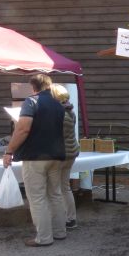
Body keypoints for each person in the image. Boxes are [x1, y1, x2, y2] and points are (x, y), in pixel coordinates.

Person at [3, 74, 66, 247]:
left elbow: (23, 129)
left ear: (33, 87)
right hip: (57, 155)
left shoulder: (31, 102)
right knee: (55, 194)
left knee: (37, 198)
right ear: (49, 85)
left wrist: (9, 151)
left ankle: (44, 238)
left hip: (35, 157)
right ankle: (60, 232)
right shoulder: (59, 105)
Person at [50, 84, 80, 230]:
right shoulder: (69, 111)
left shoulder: (60, 114)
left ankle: (63, 219)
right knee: (64, 187)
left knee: (57, 189)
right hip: (71, 153)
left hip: (62, 155)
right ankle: (71, 219)